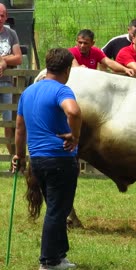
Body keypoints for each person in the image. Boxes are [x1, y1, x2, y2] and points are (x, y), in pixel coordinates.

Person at [12, 48, 81, 270]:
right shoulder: (62, 90)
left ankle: (59, 256)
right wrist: (75, 136)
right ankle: (48, 261)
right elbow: (74, 112)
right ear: (67, 69)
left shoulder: (28, 93)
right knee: (57, 210)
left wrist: (19, 155)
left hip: (38, 160)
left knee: (56, 207)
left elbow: (20, 128)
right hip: (59, 158)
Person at [0, 3, 22, 157]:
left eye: (2, 15)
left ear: (6, 17)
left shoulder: (11, 33)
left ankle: (13, 161)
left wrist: (3, 60)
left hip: (6, 82)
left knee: (9, 124)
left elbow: (19, 58)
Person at [69, 29, 135, 76]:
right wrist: (80, 68)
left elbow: (109, 63)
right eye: (80, 42)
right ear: (76, 41)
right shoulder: (70, 52)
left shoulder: (96, 51)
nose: (82, 45)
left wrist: (125, 69)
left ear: (92, 43)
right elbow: (76, 68)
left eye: (85, 43)